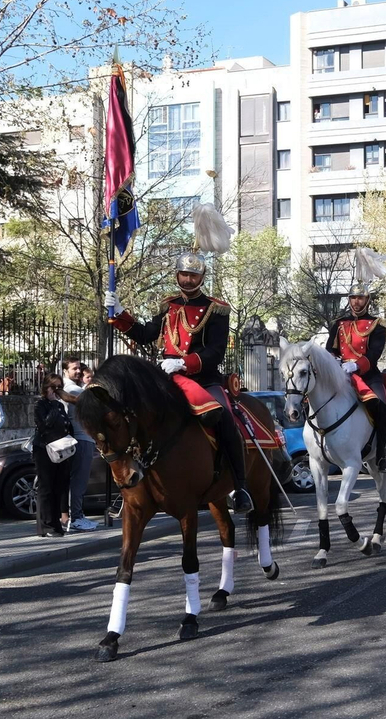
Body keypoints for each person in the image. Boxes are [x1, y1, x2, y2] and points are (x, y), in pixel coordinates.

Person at [105, 210, 254, 511]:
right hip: (166, 377)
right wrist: (120, 311)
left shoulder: (217, 309)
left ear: (202, 277)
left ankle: (239, 487)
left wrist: (185, 363)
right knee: (130, 417)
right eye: (183, 275)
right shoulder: (168, 305)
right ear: (177, 276)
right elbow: (146, 334)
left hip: (202, 378)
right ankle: (132, 487)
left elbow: (215, 352)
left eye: (193, 275)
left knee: (225, 418)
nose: (187, 280)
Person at [326, 281, 386, 475]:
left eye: (360, 298)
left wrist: (356, 365)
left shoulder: (377, 325)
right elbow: (329, 350)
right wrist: (336, 362)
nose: (356, 302)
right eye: (353, 298)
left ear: (367, 300)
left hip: (368, 374)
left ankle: (381, 454)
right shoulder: (339, 323)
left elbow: (375, 353)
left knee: (382, 405)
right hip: (341, 374)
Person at [56, 359, 100, 531]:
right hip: (82, 439)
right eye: (74, 368)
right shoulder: (73, 389)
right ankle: (77, 517)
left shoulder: (72, 388)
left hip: (81, 438)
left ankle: (76, 515)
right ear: (65, 370)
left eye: (80, 368)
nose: (79, 371)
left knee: (77, 481)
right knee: (79, 481)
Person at [32, 374, 75, 537]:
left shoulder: (59, 405)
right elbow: (44, 426)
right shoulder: (41, 405)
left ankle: (56, 523)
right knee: (46, 487)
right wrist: (53, 407)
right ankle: (46, 525)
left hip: (60, 451)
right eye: (55, 387)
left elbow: (66, 427)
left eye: (60, 387)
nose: (58, 390)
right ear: (47, 388)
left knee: (59, 487)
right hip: (44, 450)